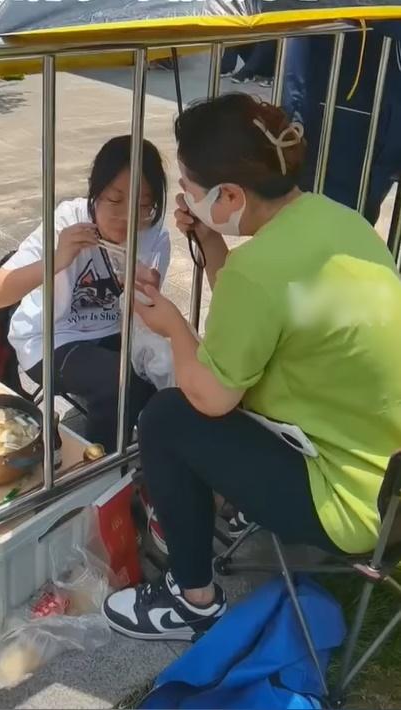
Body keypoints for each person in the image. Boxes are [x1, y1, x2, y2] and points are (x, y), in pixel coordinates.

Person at [103, 93, 401, 641]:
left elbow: (211, 397)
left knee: (167, 419)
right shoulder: (339, 220)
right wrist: (213, 242)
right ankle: (242, 512)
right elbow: (260, 319)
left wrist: (172, 326)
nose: (186, 199)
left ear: (231, 194)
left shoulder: (260, 271)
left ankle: (192, 600)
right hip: (389, 478)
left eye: (190, 188)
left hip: (356, 510)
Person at [0, 136, 171, 452]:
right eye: (115, 200)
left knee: (167, 376)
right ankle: (99, 471)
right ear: (94, 194)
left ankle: (137, 459)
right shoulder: (68, 221)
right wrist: (57, 259)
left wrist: (146, 291)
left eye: (143, 204)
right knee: (119, 383)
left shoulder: (153, 234)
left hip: (114, 330)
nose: (127, 217)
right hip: (50, 337)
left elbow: (144, 317)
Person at [283, 23, 401, 226]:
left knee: (357, 215)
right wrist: (294, 118)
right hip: (340, 116)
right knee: (328, 218)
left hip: (370, 119)